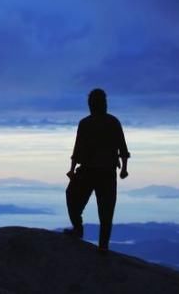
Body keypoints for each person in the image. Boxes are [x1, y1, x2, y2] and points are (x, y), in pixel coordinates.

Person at [64, 88, 130, 253]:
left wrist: (124, 168)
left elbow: (122, 149)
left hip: (100, 171)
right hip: (94, 171)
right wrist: (72, 169)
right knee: (81, 200)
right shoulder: (92, 123)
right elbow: (78, 149)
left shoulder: (108, 122)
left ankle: (98, 243)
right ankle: (90, 237)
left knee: (102, 209)